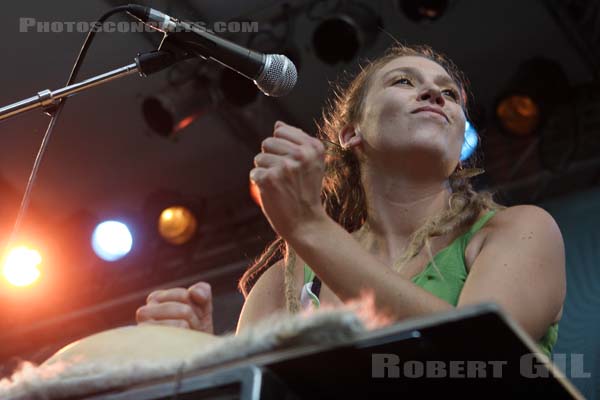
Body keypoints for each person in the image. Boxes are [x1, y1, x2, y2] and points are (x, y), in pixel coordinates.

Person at [136, 44, 566, 357]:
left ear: (460, 142)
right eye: (404, 82)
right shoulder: (287, 279)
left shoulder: (519, 229)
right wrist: (196, 359)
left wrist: (309, 227)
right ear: (350, 134)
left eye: (451, 94)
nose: (436, 95)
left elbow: (480, 354)